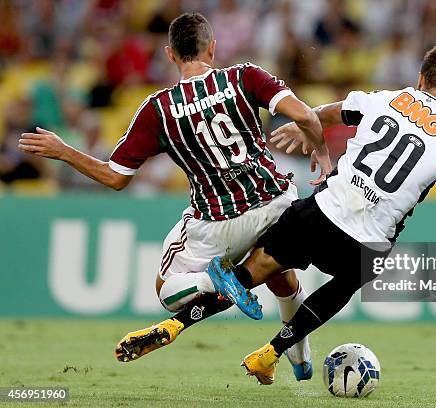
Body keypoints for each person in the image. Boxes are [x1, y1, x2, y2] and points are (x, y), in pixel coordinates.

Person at [202, 46, 436, 385]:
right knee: (349, 280)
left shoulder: (386, 98)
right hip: (367, 239)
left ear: (420, 78)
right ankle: (270, 352)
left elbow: (329, 112)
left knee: (267, 251)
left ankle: (191, 307)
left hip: (325, 208)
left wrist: (307, 126)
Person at [18, 12, 332, 381]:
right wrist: (321, 154)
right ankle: (299, 359)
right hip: (277, 201)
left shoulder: (158, 109)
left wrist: (63, 150)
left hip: (220, 223)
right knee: (280, 273)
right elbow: (308, 117)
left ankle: (212, 281)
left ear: (169, 55)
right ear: (213, 48)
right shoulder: (245, 75)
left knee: (167, 290)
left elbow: (116, 177)